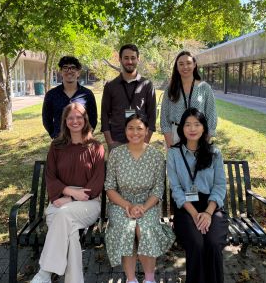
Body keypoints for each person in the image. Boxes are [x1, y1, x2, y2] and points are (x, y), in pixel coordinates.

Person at [31, 103, 105, 283]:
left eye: (79, 117)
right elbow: (50, 176)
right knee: (70, 234)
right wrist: (67, 191)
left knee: (63, 216)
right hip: (60, 199)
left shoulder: (96, 147)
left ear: (85, 119)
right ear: (65, 121)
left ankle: (45, 273)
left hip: (88, 203)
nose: (75, 121)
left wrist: (71, 198)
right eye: (71, 117)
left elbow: (96, 183)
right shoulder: (56, 146)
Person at [104, 114, 175, 283]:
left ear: (147, 131)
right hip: (121, 204)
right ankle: (131, 279)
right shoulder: (116, 154)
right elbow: (110, 187)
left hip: (148, 205)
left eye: (139, 128)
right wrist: (127, 205)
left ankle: (149, 279)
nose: (135, 132)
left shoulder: (156, 156)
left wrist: (143, 207)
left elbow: (158, 189)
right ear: (125, 130)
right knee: (126, 227)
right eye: (130, 128)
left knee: (145, 228)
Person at [167, 108, 228, 283]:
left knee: (213, 243)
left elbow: (219, 186)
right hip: (186, 208)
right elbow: (176, 189)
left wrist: (208, 213)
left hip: (211, 207)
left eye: (197, 124)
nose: (192, 129)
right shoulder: (173, 153)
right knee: (197, 243)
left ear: (204, 128)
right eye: (188, 124)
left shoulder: (214, 153)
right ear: (182, 128)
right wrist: (195, 214)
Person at [101, 44, 156, 150]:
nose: (129, 61)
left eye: (133, 58)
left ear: (138, 59)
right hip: (116, 141)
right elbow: (104, 116)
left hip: (140, 140)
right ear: (120, 59)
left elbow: (152, 116)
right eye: (126, 58)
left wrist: (146, 140)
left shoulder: (147, 85)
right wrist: (110, 142)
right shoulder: (110, 86)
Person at [160, 50, 217, 147]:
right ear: (177, 67)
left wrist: (204, 143)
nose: (185, 67)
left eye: (189, 63)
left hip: (198, 134)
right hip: (175, 135)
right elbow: (164, 119)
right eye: (181, 64)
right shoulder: (170, 89)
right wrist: (170, 146)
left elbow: (211, 116)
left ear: (194, 64)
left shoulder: (205, 88)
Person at [42, 55, 97, 139]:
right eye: (65, 68)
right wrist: (54, 135)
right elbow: (46, 119)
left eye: (73, 68)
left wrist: (87, 135)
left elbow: (93, 118)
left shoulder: (87, 94)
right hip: (60, 141)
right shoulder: (51, 94)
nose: (69, 71)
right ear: (60, 72)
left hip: (82, 140)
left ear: (78, 72)